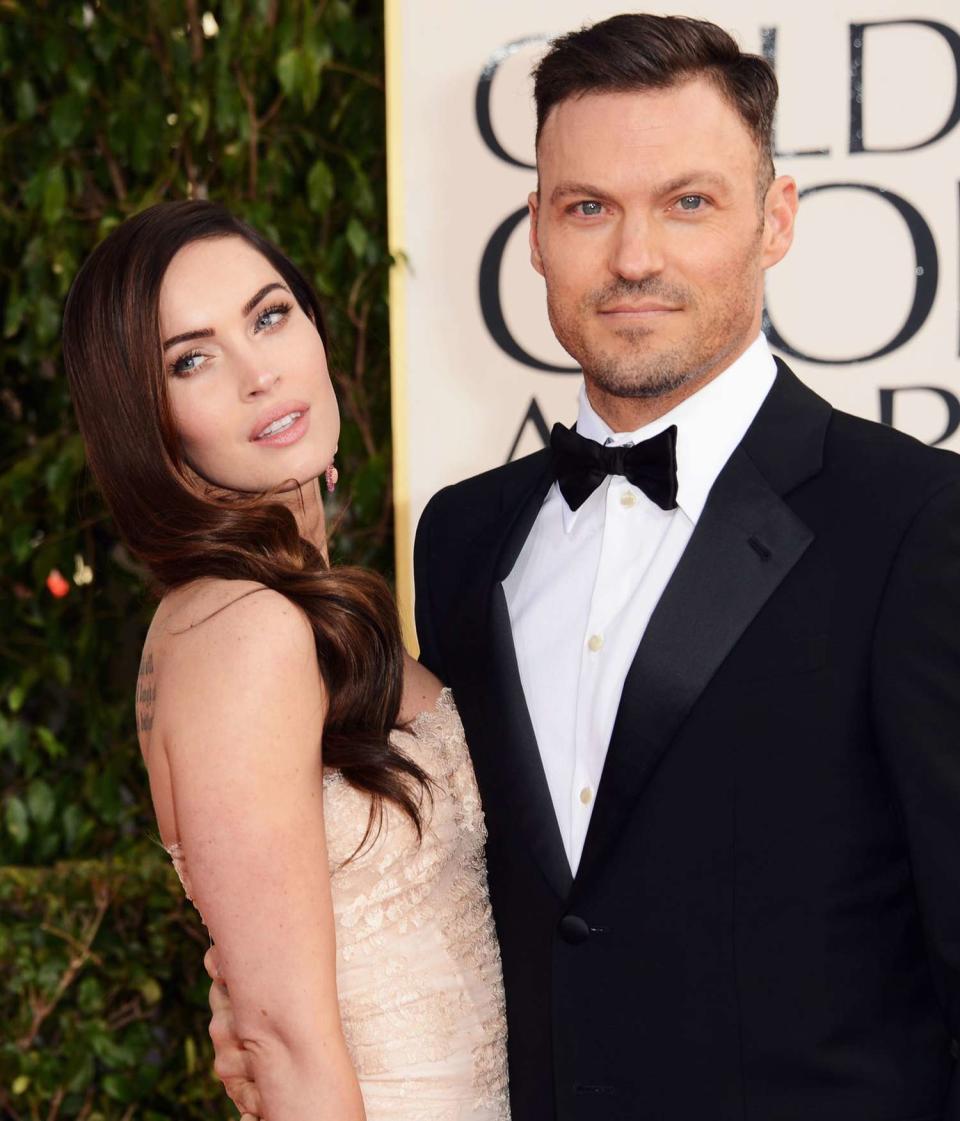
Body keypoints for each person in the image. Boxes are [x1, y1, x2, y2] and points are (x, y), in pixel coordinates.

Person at [209, 12, 960, 1121]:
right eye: (589, 207)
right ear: (536, 230)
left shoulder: (915, 521)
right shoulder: (462, 537)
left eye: (688, 201)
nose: (634, 256)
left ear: (777, 219)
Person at [61, 200, 510, 1121]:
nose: (258, 373)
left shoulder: (289, 604)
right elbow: (280, 1036)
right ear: (146, 418)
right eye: (192, 359)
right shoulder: (244, 628)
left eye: (269, 316)